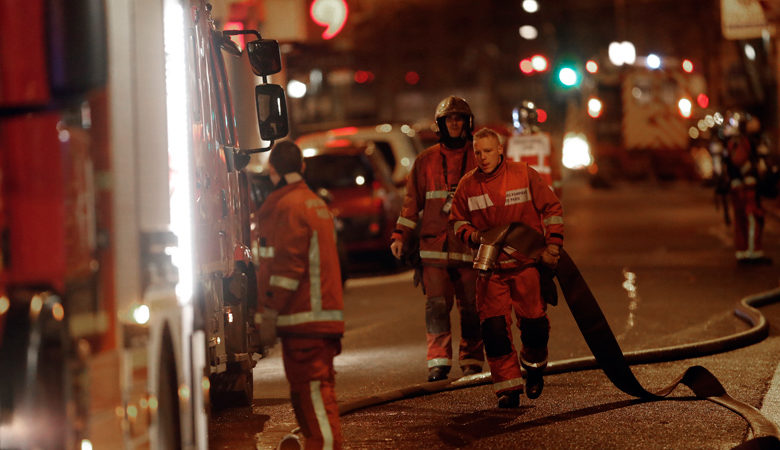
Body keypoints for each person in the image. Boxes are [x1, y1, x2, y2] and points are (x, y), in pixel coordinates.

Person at [449, 127, 563, 408]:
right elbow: (457, 221)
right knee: (495, 332)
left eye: (488, 151)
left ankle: (534, 368)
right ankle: (508, 389)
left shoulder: (523, 174)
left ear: (500, 150)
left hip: (526, 266)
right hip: (492, 272)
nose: (483, 157)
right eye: (477, 152)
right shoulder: (468, 185)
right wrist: (473, 236)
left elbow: (551, 208)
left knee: (535, 327)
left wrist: (553, 245)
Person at [390, 95, 485, 382]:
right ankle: (438, 360)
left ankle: (471, 359)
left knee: (471, 307)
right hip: (433, 248)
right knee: (437, 306)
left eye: (459, 119)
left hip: (469, 247)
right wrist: (400, 236)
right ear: (440, 125)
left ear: (467, 124)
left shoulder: (479, 157)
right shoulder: (425, 161)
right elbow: (411, 204)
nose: (454, 124)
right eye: (449, 120)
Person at [256, 141, 344, 449]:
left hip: (304, 322)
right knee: (313, 400)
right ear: (302, 168)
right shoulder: (313, 203)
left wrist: (267, 312)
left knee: (315, 403)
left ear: (272, 170)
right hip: (317, 321)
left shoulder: (285, 206)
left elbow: (286, 268)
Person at [718, 112, 775, 265]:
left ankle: (743, 252)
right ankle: (753, 253)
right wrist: (752, 172)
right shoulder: (743, 142)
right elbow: (739, 161)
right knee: (752, 218)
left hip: (738, 186)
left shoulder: (734, 142)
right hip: (746, 187)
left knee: (741, 220)